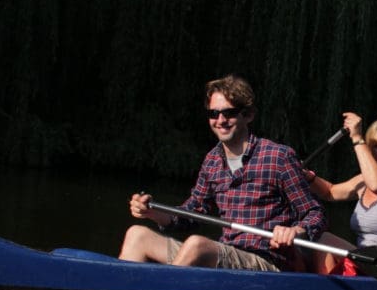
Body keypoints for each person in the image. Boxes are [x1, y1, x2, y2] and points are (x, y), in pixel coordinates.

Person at [118, 74, 326, 271]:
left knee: (198, 245)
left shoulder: (278, 157)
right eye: (213, 113)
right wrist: (154, 214)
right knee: (137, 235)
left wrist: (294, 231)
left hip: (267, 261)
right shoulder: (212, 161)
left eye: (229, 113)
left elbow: (314, 214)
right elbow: (192, 213)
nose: (220, 120)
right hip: (227, 256)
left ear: (249, 115)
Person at [304, 113, 377, 274]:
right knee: (323, 240)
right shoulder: (363, 181)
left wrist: (357, 138)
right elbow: (330, 192)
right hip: (365, 263)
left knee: (325, 239)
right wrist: (309, 178)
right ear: (370, 152)